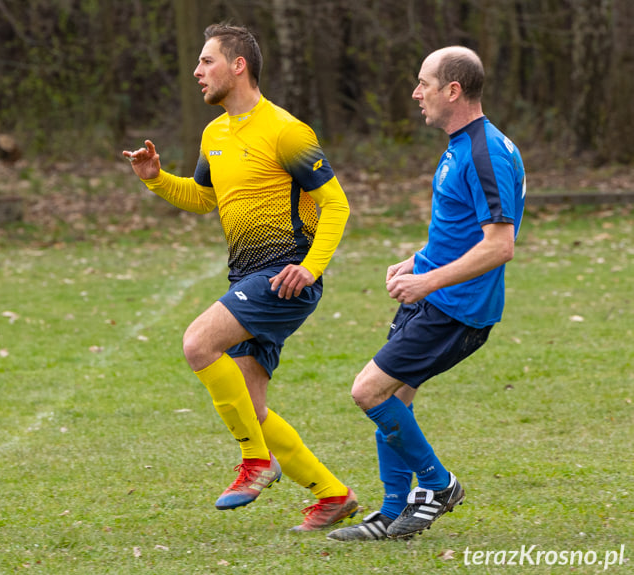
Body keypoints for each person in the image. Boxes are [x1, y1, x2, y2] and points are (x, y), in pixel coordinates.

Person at [122, 23, 356, 532]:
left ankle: (256, 462)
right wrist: (156, 180)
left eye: (207, 61)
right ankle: (332, 495)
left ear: (238, 65)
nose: (197, 71)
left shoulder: (286, 130)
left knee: (197, 343)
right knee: (252, 407)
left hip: (285, 275)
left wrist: (310, 267)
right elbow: (205, 198)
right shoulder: (214, 133)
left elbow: (337, 205)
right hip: (246, 276)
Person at [327, 46, 525, 542]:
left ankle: (438, 486)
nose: (417, 94)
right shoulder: (463, 145)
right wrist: (420, 259)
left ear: (452, 90)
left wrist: (428, 281)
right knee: (396, 398)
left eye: (425, 84)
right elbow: (463, 228)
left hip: (458, 310)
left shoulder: (485, 153)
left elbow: (500, 245)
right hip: (434, 298)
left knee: (368, 391)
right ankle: (393, 513)